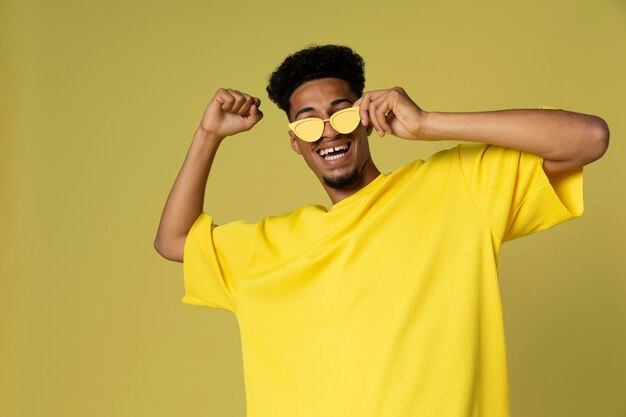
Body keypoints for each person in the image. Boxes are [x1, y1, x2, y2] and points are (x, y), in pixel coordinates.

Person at [154, 45, 609, 417]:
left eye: (342, 112)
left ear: (367, 117)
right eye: (310, 120)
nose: (329, 130)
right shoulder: (268, 246)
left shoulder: (456, 188)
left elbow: (588, 139)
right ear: (296, 140)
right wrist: (208, 134)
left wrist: (428, 124)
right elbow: (173, 241)